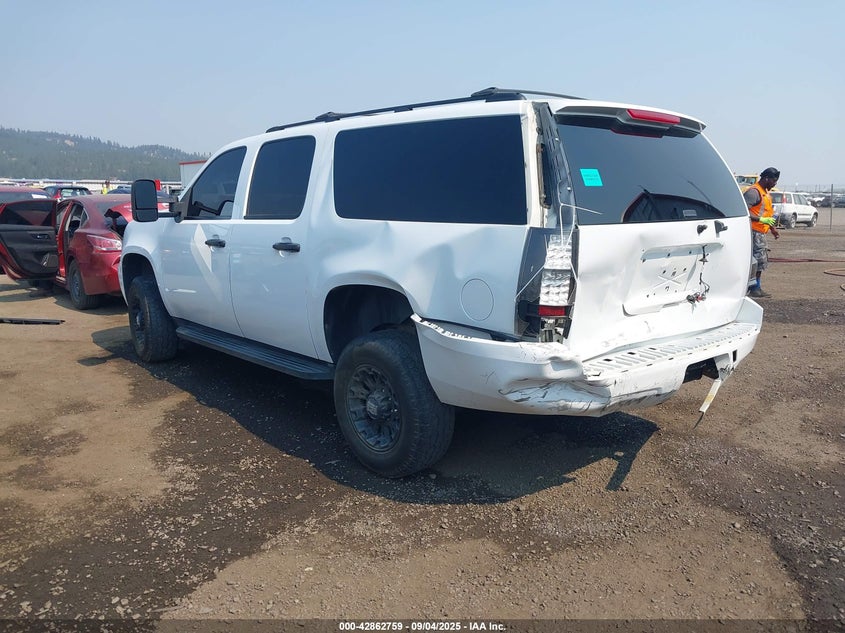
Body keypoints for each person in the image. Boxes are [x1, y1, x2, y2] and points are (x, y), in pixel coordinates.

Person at [745, 167, 780, 297]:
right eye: (774, 181)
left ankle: (755, 286)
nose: (775, 184)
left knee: (760, 261)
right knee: (758, 261)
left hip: (760, 232)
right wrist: (760, 219)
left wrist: (773, 229)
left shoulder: (765, 193)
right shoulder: (754, 192)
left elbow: (767, 214)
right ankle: (754, 288)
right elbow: (744, 211)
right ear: (766, 179)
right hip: (754, 232)